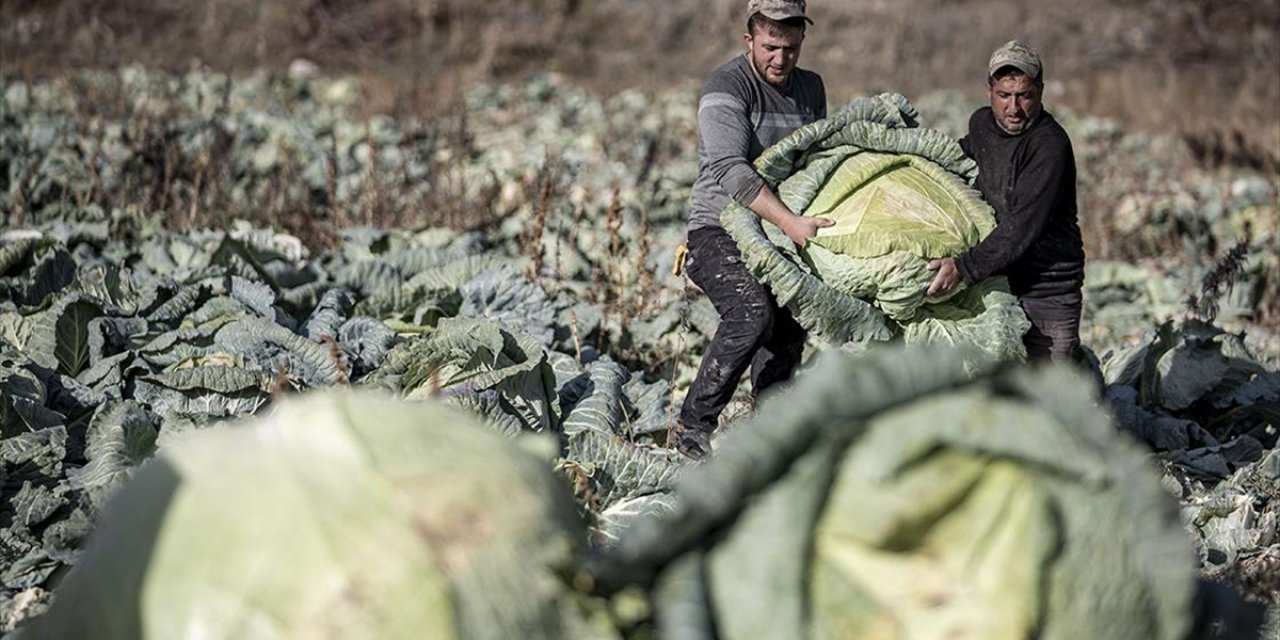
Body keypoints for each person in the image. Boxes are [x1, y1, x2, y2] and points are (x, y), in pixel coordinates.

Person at [666, 0, 832, 460]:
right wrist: (790, 223)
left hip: (778, 232)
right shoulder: (727, 86)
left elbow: (817, 161)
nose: (781, 60)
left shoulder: (811, 88)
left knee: (790, 323)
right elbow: (729, 169)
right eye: (770, 47)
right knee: (751, 313)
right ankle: (692, 426)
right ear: (749, 41)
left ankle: (770, 432)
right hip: (717, 228)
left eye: (792, 48)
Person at [926, 40, 1086, 362]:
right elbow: (956, 162)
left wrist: (963, 267)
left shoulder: (1049, 146)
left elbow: (1020, 227)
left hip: (1046, 290)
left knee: (1049, 391)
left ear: (1040, 91)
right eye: (1004, 96)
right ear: (989, 91)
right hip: (997, 283)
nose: (1013, 108)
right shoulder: (981, 125)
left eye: (1024, 96)